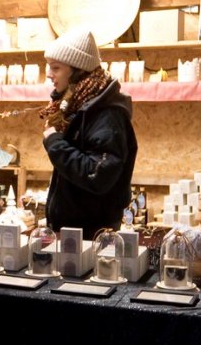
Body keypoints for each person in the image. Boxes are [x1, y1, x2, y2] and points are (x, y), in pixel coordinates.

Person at [40, 27, 138, 238]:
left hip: (92, 237)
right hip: (75, 233)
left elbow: (98, 175)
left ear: (78, 71)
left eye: (56, 68)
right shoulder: (79, 108)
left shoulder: (107, 115)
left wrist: (55, 143)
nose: (48, 74)